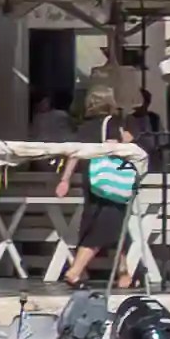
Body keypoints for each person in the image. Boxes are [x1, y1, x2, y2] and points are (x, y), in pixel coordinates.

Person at [57, 110, 148, 289]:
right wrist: (130, 136)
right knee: (106, 226)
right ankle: (75, 271)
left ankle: (123, 273)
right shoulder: (112, 123)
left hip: (93, 179)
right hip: (111, 181)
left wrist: (65, 179)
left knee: (109, 226)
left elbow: (74, 153)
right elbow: (114, 146)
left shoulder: (84, 127)